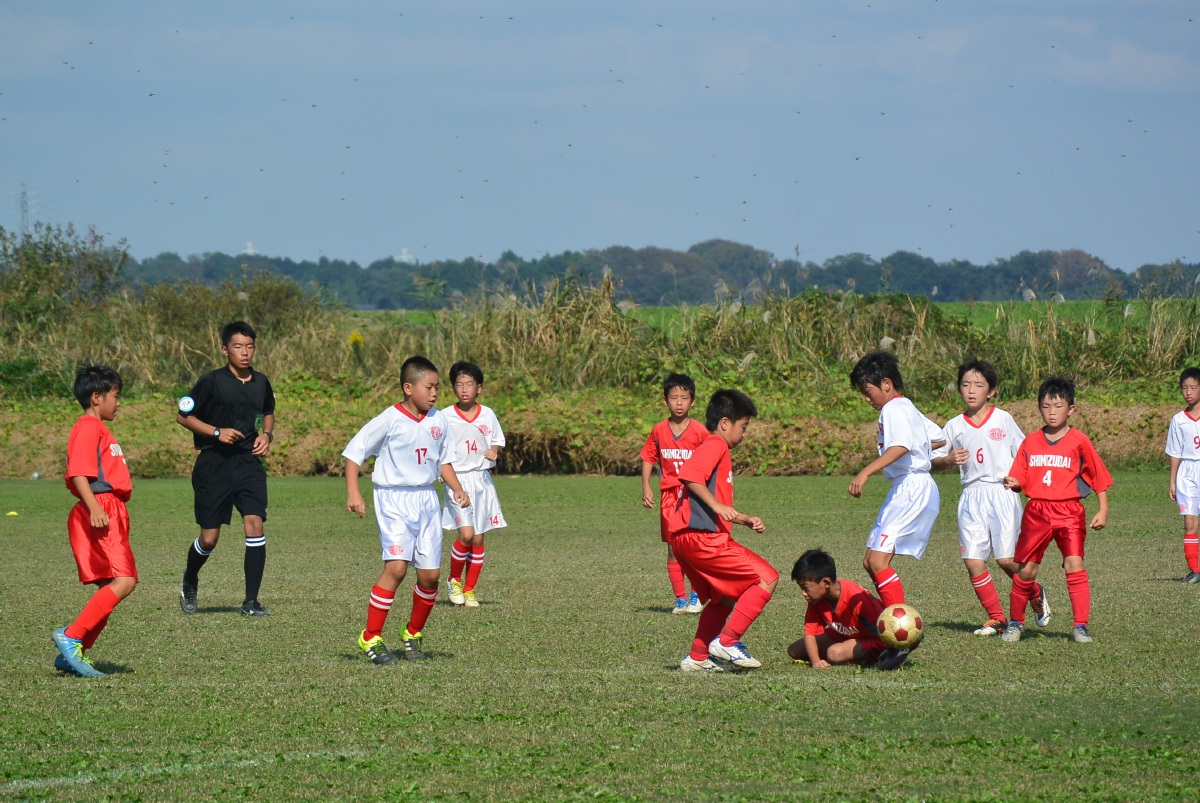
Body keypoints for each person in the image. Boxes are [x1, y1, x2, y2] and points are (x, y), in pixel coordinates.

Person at [344, 356, 470, 664]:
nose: (435, 393)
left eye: (438, 388)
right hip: (393, 499)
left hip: (427, 500)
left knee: (430, 577)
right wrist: (354, 492)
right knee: (397, 568)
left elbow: (443, 461)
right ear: (408, 388)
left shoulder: (438, 420)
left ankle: (412, 633)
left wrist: (457, 488)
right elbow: (354, 453)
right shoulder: (389, 419)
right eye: (429, 387)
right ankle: (371, 636)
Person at [934, 359, 1048, 636]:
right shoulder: (953, 426)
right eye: (965, 385)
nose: (971, 390)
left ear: (992, 391)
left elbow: (1024, 453)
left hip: (1002, 493)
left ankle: (1035, 591)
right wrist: (947, 459)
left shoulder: (1003, 419)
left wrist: (1019, 479)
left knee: (1006, 560)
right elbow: (933, 460)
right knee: (973, 561)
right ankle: (996, 618)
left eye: (978, 385)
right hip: (971, 497)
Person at [670, 389, 777, 672]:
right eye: (744, 427)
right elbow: (690, 475)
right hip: (702, 539)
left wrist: (742, 518)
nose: (744, 434)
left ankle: (697, 657)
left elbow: (707, 498)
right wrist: (718, 506)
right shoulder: (716, 443)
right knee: (766, 578)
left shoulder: (713, 447)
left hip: (685, 539)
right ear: (726, 423)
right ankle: (727, 641)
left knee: (725, 597)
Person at [1002, 376, 1112, 643]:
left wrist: (1103, 509)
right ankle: (1015, 623)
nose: (1052, 412)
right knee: (1026, 571)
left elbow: (1098, 477)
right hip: (1037, 512)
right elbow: (1020, 476)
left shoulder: (1079, 441)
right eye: (1046, 406)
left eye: (1058, 406)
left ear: (1070, 409)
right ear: (1039, 408)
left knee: (1074, 563)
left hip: (1069, 511)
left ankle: (1080, 626)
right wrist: (1015, 483)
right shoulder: (1030, 442)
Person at [176, 321, 276, 616]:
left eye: (250, 346)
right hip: (214, 464)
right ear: (225, 350)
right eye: (238, 346)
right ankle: (190, 579)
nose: (245, 352)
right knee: (209, 538)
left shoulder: (262, 382)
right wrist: (216, 432)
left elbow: (268, 412)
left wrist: (267, 435)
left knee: (255, 524)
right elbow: (183, 416)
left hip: (249, 463)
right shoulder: (211, 381)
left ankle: (251, 602)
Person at [52, 364, 137, 678]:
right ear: (96, 397)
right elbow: (78, 473)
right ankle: (71, 636)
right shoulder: (88, 427)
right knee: (124, 582)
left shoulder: (99, 428)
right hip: (101, 507)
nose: (119, 402)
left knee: (110, 588)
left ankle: (73, 654)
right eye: (115, 396)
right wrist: (95, 508)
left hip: (110, 507)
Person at [848, 351, 940, 617]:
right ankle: (892, 620)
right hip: (905, 486)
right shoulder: (906, 407)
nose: (867, 399)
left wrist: (865, 472)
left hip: (912, 486)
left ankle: (901, 625)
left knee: (878, 561)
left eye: (868, 392)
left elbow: (901, 446)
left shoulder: (893, 408)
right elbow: (939, 437)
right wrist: (920, 446)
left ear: (886, 384)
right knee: (870, 561)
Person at [640, 373, 707, 613]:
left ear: (693, 401)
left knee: (694, 546)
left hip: (693, 495)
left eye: (684, 398)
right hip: (669, 497)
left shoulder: (699, 432)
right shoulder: (659, 430)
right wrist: (646, 486)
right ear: (665, 400)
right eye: (674, 398)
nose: (679, 403)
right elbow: (648, 457)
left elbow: (712, 461)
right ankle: (680, 598)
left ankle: (697, 595)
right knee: (673, 547)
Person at [441, 361, 506, 608]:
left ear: (479, 388)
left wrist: (494, 449)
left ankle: (469, 590)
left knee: (478, 539)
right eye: (459, 384)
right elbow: (437, 448)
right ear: (453, 388)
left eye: (469, 384)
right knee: (466, 535)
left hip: (481, 480)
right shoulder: (444, 416)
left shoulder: (488, 414)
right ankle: (454, 580)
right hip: (456, 479)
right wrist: (440, 470)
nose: (464, 389)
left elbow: (497, 440)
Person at [788, 548, 907, 669]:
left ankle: (859, 657)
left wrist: (888, 649)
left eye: (806, 588)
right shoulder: (816, 599)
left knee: (834, 653)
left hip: (873, 640)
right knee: (794, 650)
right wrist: (816, 661)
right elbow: (810, 633)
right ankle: (845, 653)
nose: (803, 593)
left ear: (826, 582)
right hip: (844, 636)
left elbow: (884, 632)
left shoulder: (857, 599)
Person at [1166, 367, 1200, 584]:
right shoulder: (1178, 420)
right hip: (1186, 473)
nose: (1188, 392)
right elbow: (1175, 452)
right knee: (1190, 522)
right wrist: (1172, 481)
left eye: (1193, 387)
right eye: (1184, 388)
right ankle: (1194, 570)